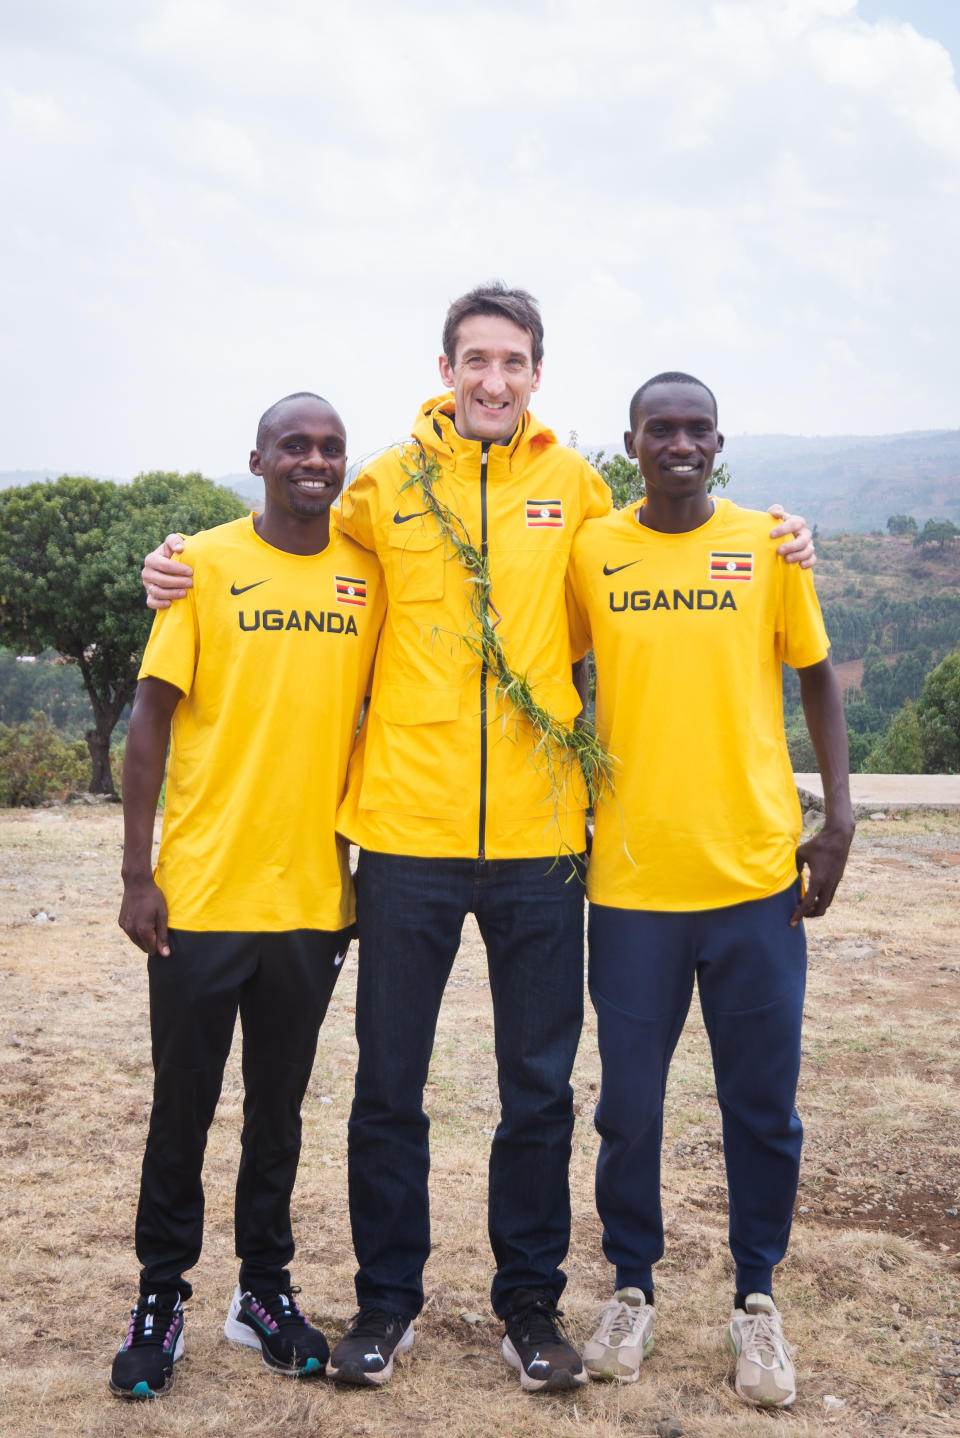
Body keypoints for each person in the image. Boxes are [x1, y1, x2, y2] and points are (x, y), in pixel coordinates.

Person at [140, 285, 816, 1394]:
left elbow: (658, 571)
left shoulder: (578, 488)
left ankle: (530, 1305)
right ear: (445, 367)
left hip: (547, 842)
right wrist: (179, 560)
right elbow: (293, 542)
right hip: (405, 835)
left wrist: (789, 539)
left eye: (512, 361)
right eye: (474, 360)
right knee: (389, 1087)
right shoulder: (383, 487)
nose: (491, 380)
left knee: (537, 1089)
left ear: (538, 374)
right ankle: (386, 1302)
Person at [566, 372, 853, 1407]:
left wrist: (839, 817)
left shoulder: (767, 547)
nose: (680, 443)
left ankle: (757, 1302)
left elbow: (816, 672)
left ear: (717, 443)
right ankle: (632, 1286)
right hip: (634, 884)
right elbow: (545, 664)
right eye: (661, 429)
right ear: (631, 443)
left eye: (697, 430)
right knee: (629, 1108)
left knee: (762, 1107)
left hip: (754, 881)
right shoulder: (594, 548)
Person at [111, 394, 384, 1399]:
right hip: (204, 892)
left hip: (315, 898)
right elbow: (149, 722)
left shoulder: (369, 572)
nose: (314, 460)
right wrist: (140, 872)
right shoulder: (204, 565)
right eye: (295, 446)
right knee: (181, 1107)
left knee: (278, 1112)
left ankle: (262, 1290)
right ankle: (161, 1296)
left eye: (329, 447)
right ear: (259, 458)